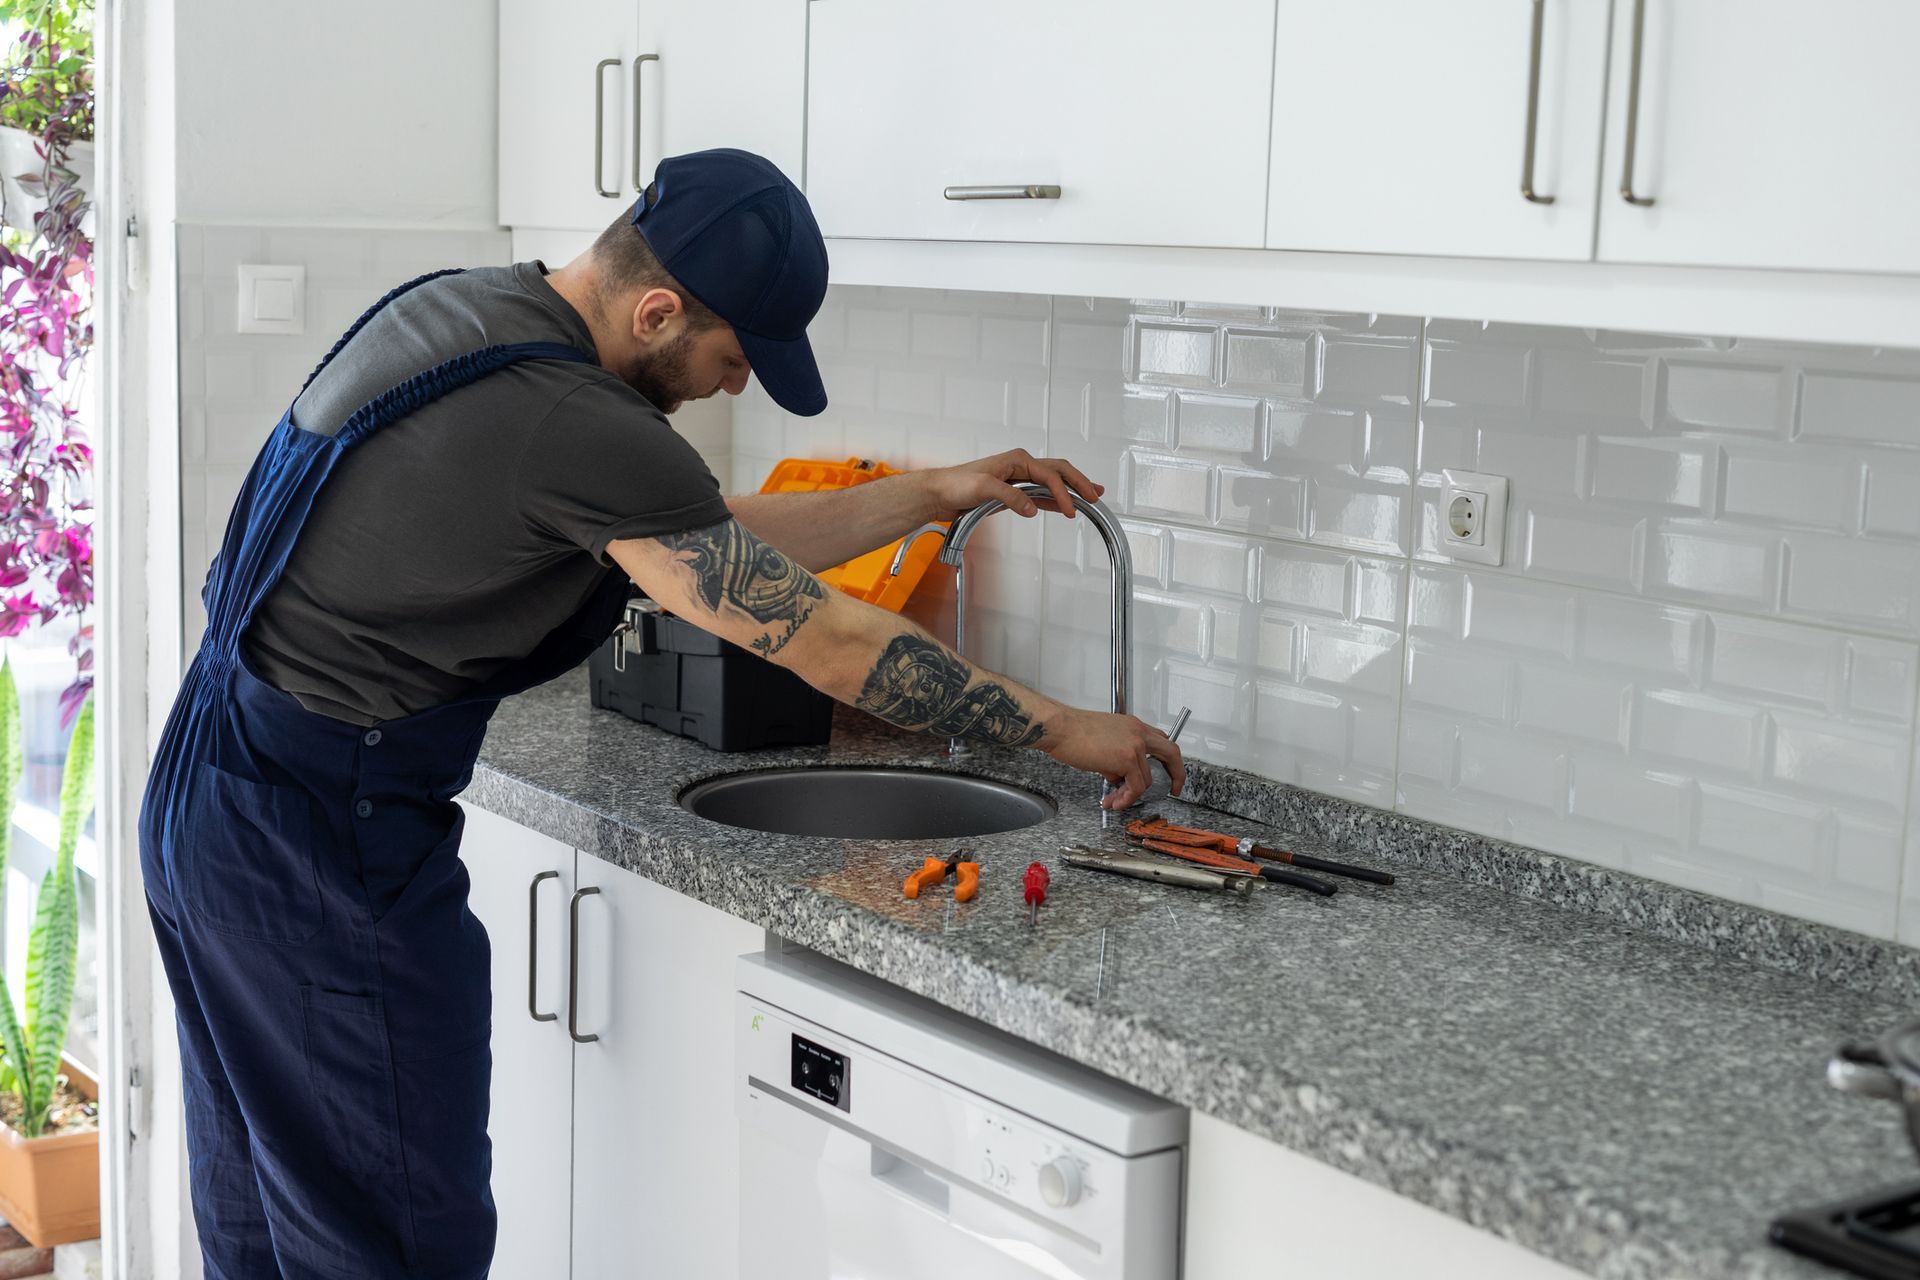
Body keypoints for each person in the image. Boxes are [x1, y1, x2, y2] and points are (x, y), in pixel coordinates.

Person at [137, 147, 1184, 1279]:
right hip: (317, 841)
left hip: (216, 793)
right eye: (732, 359)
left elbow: (704, 540)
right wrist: (1072, 730)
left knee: (265, 1227)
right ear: (657, 310)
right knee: (393, 1244)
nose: (735, 386)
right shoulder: (572, 418)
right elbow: (828, 640)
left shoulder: (473, 311)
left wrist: (933, 492)